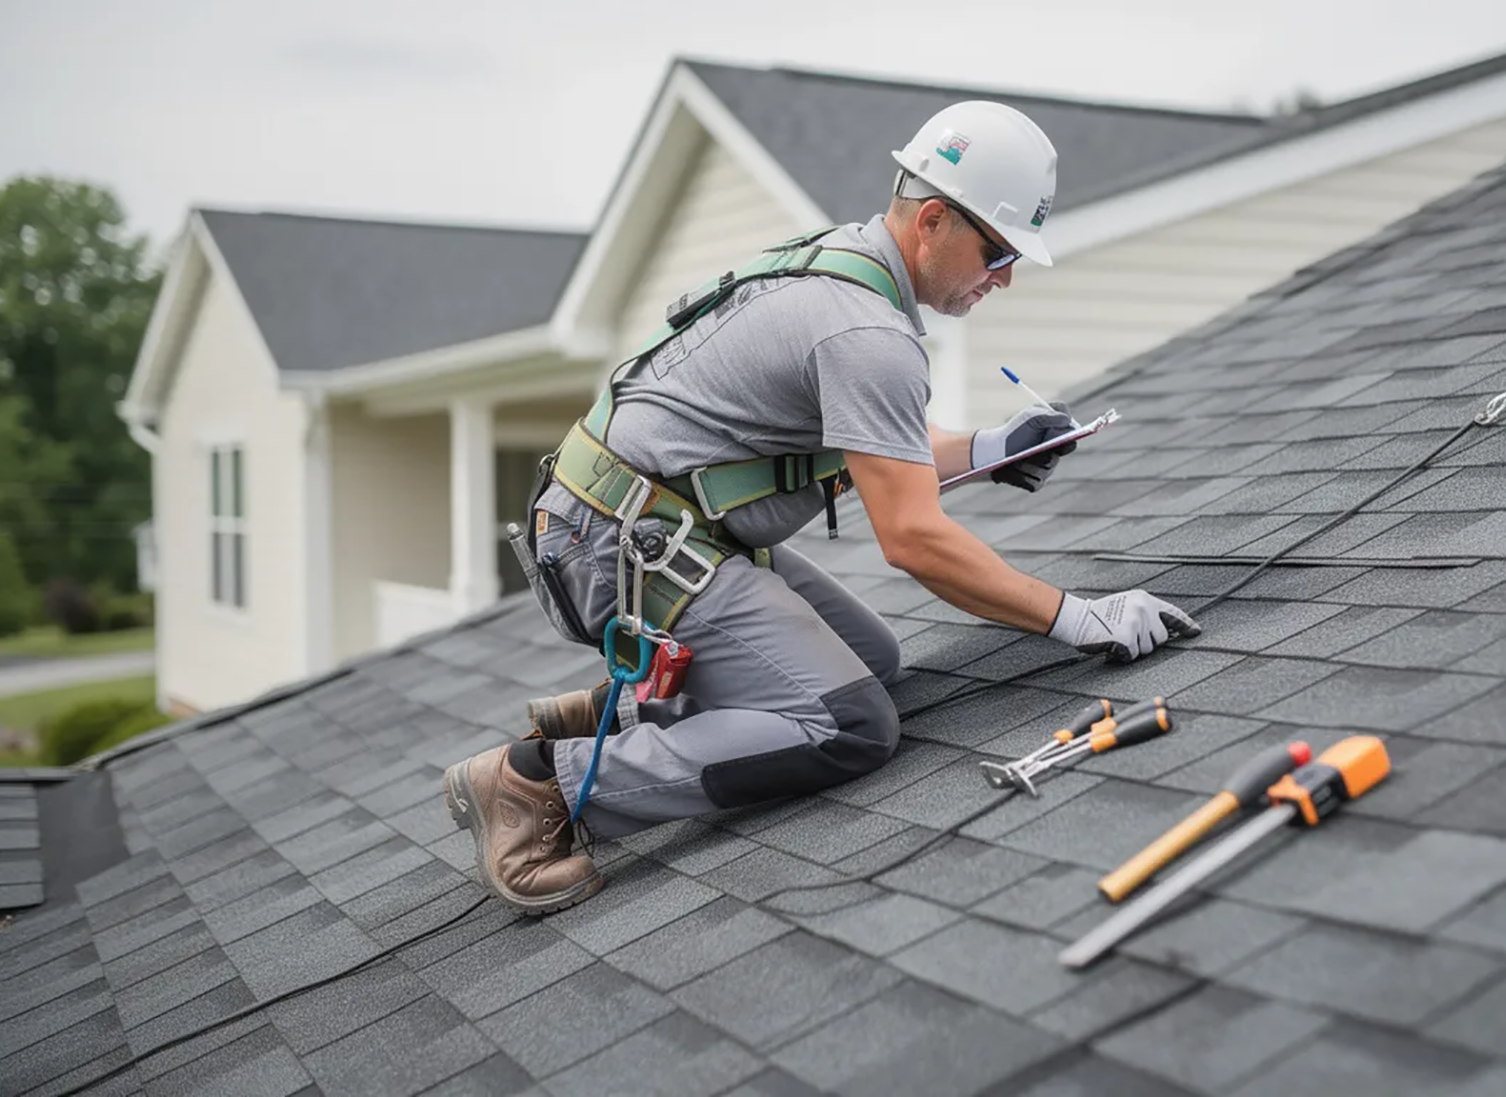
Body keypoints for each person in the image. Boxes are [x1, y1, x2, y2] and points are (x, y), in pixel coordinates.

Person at [443, 100, 1202, 914]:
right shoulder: (865, 332)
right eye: (999, 250)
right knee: (849, 724)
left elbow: (872, 443)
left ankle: (618, 710)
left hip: (634, 522)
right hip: (626, 545)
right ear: (936, 220)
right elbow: (913, 538)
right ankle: (536, 786)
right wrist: (1078, 618)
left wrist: (991, 447)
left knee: (867, 658)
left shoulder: (845, 265)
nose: (1005, 276)